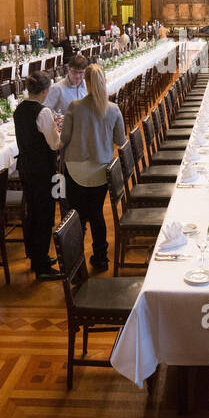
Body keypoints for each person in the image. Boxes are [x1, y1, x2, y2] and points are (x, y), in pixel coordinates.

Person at [60, 64, 125, 272]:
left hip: (75, 168)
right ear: (103, 81)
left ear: (85, 83)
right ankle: (101, 258)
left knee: (77, 216)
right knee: (97, 214)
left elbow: (64, 139)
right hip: (100, 169)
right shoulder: (113, 109)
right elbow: (120, 140)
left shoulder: (74, 107)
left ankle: (76, 261)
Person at [14, 71, 64, 281]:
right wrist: (59, 128)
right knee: (44, 215)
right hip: (43, 170)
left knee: (33, 214)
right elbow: (55, 144)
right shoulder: (42, 112)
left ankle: (36, 258)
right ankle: (42, 265)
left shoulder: (19, 109)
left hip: (26, 167)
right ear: (45, 91)